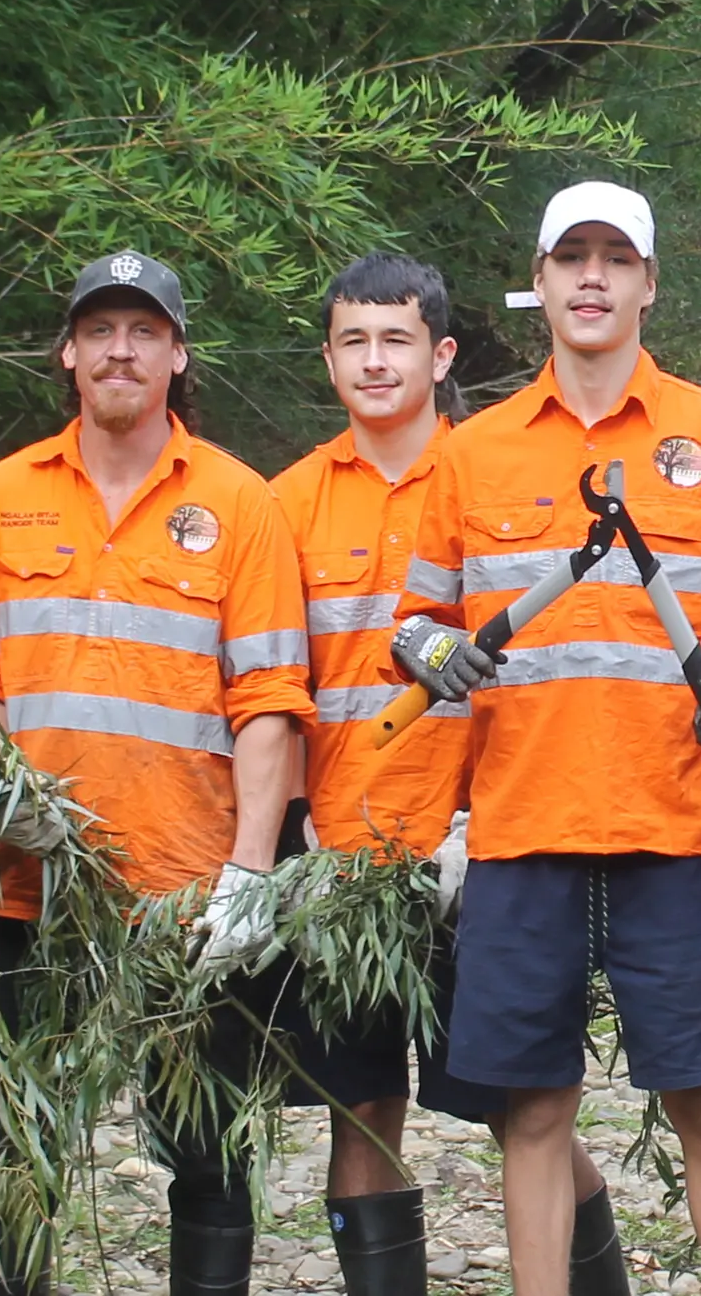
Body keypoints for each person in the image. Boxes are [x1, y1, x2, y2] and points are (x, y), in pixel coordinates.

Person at [392, 183, 701, 1296]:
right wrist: (436, 660)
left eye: (616, 258)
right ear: (541, 279)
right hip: (525, 821)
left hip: (677, 817)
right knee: (532, 1105)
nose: (592, 276)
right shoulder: (470, 454)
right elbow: (416, 625)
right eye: (571, 256)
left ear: (648, 284)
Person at [0, 251, 311, 1296]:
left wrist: (247, 872)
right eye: (100, 328)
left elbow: (271, 700)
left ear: (177, 353)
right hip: (24, 888)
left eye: (144, 330)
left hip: (183, 897)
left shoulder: (240, 503)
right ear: (67, 352)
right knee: (11, 1145)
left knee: (205, 1152)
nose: (120, 348)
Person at [262, 252, 623, 1296]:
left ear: (441, 351)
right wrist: (291, 846)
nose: (376, 361)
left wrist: (494, 820)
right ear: (328, 358)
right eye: (355, 341)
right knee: (358, 1103)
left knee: (522, 1102)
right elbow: (276, 692)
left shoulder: (502, 474)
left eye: (398, 339)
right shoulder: (283, 506)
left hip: (487, 852)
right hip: (345, 862)